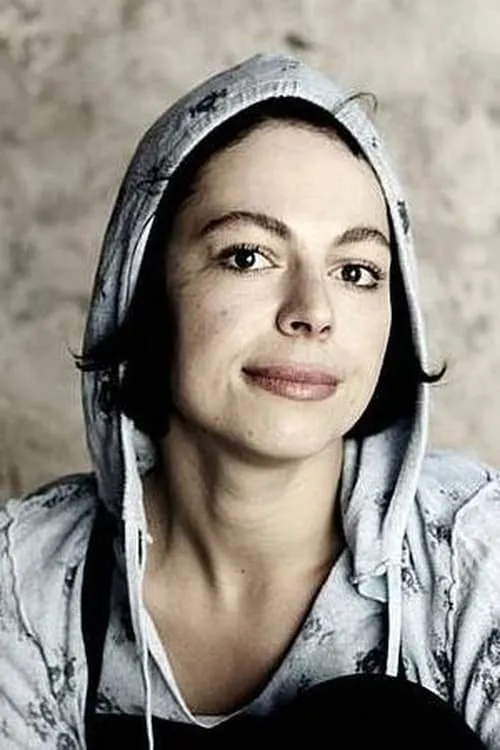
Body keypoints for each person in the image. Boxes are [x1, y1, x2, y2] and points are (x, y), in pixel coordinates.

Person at [0, 52, 498, 749]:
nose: (312, 311)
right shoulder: (22, 580)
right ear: (143, 286)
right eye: (246, 256)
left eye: (356, 271)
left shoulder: (478, 560)